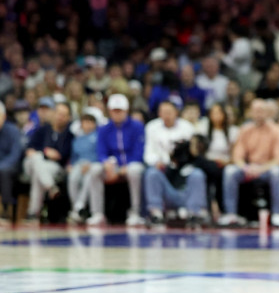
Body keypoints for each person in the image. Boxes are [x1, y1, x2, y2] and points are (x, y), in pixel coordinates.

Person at [218, 99, 279, 228]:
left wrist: (260, 169)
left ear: (267, 113)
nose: (259, 114)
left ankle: (278, 214)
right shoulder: (245, 129)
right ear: (250, 113)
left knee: (278, 172)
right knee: (230, 171)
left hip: (267, 169)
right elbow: (237, 156)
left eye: (261, 111)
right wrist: (245, 167)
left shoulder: (277, 130)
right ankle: (231, 214)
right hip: (248, 168)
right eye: (255, 111)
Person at [88, 93, 146, 226]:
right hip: (112, 167)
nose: (117, 114)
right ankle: (97, 213)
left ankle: (135, 212)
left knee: (134, 171)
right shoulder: (104, 128)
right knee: (95, 169)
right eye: (114, 111)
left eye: (120, 111)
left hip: (131, 165)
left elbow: (139, 151)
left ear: (126, 111)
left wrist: (126, 166)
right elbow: (101, 152)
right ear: (109, 111)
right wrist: (107, 163)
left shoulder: (137, 126)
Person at [143, 100, 203, 226]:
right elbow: (148, 154)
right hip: (163, 172)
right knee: (151, 173)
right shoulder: (151, 127)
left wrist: (180, 161)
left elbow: (194, 154)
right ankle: (156, 213)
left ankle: (194, 213)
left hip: (183, 173)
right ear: (159, 113)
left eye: (169, 112)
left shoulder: (187, 128)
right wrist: (159, 162)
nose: (167, 116)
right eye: (164, 112)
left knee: (197, 174)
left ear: (176, 112)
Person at [23, 102, 73, 224]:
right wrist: (45, 153)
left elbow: (62, 156)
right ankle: (51, 187)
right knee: (36, 158)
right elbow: (29, 149)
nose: (59, 117)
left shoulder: (69, 135)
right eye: (58, 113)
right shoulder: (43, 129)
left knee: (38, 173)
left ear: (68, 117)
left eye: (63, 115)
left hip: (52, 168)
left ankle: (33, 213)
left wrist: (48, 154)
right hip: (32, 163)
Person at [66, 112, 100, 223]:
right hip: (78, 165)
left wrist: (90, 163)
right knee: (73, 178)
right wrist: (70, 165)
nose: (88, 125)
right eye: (85, 122)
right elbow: (74, 156)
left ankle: (79, 206)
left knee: (88, 178)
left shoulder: (98, 137)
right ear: (81, 124)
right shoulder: (77, 140)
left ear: (95, 124)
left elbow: (100, 153)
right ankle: (76, 209)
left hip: (92, 164)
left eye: (91, 122)